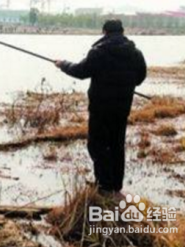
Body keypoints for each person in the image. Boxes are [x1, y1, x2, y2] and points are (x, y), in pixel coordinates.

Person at [55, 19, 147, 194]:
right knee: (116, 145)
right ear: (122, 31)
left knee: (97, 145)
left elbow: (80, 71)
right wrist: (126, 85)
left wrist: (63, 64)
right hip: (122, 107)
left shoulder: (99, 52)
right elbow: (141, 77)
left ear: (104, 31)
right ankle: (115, 185)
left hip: (100, 107)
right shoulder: (136, 53)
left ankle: (104, 185)